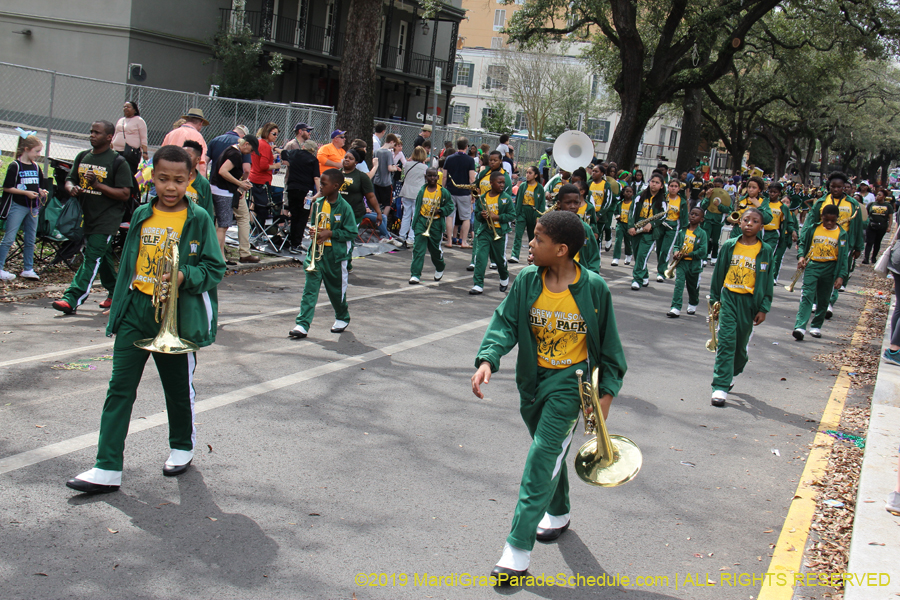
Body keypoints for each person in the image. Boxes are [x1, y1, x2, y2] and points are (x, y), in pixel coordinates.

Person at [471, 209, 626, 584]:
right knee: (550, 454)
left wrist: (606, 394)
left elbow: (610, 351)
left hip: (569, 388)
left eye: (538, 239)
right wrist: (488, 358)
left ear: (561, 249)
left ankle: (517, 550)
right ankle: (558, 511)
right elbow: (506, 322)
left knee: (541, 457)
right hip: (532, 383)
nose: (530, 244)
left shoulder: (593, 289)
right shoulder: (526, 280)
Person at [64, 145, 226, 494]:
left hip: (176, 315)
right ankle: (107, 467)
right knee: (119, 390)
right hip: (137, 309)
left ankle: (182, 446)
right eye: (163, 179)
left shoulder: (197, 218)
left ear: (191, 179)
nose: (170, 187)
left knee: (178, 390)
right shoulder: (140, 213)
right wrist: (119, 308)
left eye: (179, 181)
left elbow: (215, 267)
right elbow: (128, 265)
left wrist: (183, 276)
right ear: (152, 178)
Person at [52, 121, 133, 315]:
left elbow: (124, 194)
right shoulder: (82, 156)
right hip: (86, 217)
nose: (92, 135)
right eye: (91, 132)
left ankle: (72, 298)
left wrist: (99, 186)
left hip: (107, 219)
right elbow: (70, 179)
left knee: (92, 257)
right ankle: (116, 293)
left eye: (97, 133)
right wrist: (72, 188)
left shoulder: (118, 162)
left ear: (109, 137)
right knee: (101, 256)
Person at [708, 208, 773, 407]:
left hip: (750, 303)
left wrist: (764, 307)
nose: (749, 223)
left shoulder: (765, 250)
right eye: (746, 220)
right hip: (729, 298)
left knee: (740, 345)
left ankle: (732, 372)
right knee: (726, 341)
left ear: (761, 227)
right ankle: (720, 385)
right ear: (739, 223)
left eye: (754, 221)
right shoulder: (729, 245)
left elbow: (768, 280)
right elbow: (718, 273)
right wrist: (714, 301)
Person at [290, 169, 358, 339]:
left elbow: (351, 233)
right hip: (316, 254)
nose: (321, 187)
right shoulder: (318, 203)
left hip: (335, 256)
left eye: (324, 184)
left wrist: (331, 233)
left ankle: (342, 316)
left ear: (336, 186)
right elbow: (314, 224)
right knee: (310, 290)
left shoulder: (345, 207)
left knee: (336, 292)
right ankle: (302, 324)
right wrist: (314, 232)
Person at [801, 172, 864, 317]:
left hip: (843, 244)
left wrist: (858, 246)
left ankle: (830, 301)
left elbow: (858, 226)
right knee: (820, 273)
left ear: (845, 188)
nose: (836, 189)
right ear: (829, 186)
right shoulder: (822, 201)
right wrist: (803, 240)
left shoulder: (853, 204)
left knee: (839, 273)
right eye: (833, 187)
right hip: (821, 242)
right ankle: (816, 301)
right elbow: (810, 222)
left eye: (839, 187)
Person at [792, 204, 849, 341]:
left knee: (824, 298)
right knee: (807, 295)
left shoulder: (842, 234)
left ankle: (816, 325)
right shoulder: (813, 229)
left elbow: (844, 257)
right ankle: (800, 326)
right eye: (826, 220)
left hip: (830, 268)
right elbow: (803, 243)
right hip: (813, 265)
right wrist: (801, 256)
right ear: (821, 217)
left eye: (833, 220)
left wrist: (841, 276)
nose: (829, 223)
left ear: (837, 219)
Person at [0, 133, 48, 281]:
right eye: (36, 151)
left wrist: (41, 192)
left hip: (33, 208)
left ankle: (28, 268)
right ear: (26, 149)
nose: (39, 155)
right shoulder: (15, 166)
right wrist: (25, 193)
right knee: (9, 238)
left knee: (30, 238)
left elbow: (38, 185)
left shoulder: (36, 166)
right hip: (18, 206)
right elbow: (7, 187)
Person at [208, 134, 258, 260]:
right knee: (223, 226)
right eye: (251, 150)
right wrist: (240, 183)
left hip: (219, 189)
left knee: (221, 225)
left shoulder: (231, 150)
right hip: (223, 191)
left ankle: (221, 256)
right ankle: (219, 257)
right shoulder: (235, 154)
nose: (251, 153)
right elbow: (223, 171)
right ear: (246, 144)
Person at [470, 171, 514, 295]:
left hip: (499, 232)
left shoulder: (506, 198)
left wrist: (498, 217)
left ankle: (504, 276)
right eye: (499, 182)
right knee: (480, 257)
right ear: (491, 183)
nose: (502, 185)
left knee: (499, 259)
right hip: (485, 231)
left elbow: (512, 215)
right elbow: (477, 214)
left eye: (503, 183)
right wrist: (481, 215)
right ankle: (478, 284)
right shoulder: (483, 197)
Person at [408, 167, 453, 284]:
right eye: (429, 176)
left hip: (436, 223)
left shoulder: (443, 192)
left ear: (438, 177)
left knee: (434, 250)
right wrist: (415, 222)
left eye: (434, 176)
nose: (432, 178)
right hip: (422, 221)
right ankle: (415, 274)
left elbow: (450, 206)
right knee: (418, 249)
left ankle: (440, 266)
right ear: (425, 177)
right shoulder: (422, 191)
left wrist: (440, 210)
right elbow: (418, 207)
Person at [338, 149, 392, 245]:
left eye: (350, 158)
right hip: (337, 212)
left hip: (354, 213)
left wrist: (378, 212)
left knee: (347, 240)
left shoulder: (361, 177)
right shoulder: (336, 174)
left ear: (356, 162)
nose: (346, 160)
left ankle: (346, 258)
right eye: (345, 157)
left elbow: (370, 196)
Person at [280, 139, 321, 255]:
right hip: (306, 192)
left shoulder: (294, 153)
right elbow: (316, 177)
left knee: (294, 215)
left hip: (292, 188)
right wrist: (319, 191)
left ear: (303, 146)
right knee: (302, 217)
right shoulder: (313, 160)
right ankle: (296, 243)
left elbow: (283, 153)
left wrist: (286, 161)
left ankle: (292, 242)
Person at [667, 207, 708, 317]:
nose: (693, 216)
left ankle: (693, 303)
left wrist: (689, 254)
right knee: (679, 285)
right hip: (682, 263)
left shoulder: (702, 233)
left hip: (694, 265)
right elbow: (676, 245)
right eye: (692, 214)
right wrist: (676, 252)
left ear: (701, 219)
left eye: (696, 215)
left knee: (693, 287)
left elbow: (703, 251)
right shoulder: (682, 231)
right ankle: (675, 307)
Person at [628, 173, 667, 290]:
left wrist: (652, 224)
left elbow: (663, 216)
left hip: (650, 233)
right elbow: (632, 211)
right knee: (636, 253)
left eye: (657, 183)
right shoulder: (640, 196)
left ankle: (637, 279)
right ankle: (644, 275)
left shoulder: (662, 200)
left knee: (642, 256)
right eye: (652, 181)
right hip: (637, 227)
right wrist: (631, 226)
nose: (654, 184)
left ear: (661, 186)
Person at [554, 184, 600, 273]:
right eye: (568, 203)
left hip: (579, 277)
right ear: (559, 204)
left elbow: (593, 257)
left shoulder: (586, 229)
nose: (573, 206)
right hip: (556, 276)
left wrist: (592, 278)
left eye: (576, 203)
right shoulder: (551, 227)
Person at [442, 137, 477, 250]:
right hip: (464, 192)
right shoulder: (470, 160)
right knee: (466, 217)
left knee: (450, 216)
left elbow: (444, 176)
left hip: (450, 191)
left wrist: (443, 189)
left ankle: (449, 240)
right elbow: (472, 178)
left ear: (457, 146)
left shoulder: (449, 158)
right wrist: (473, 193)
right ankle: (464, 241)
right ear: (467, 147)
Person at [655, 178, 689, 282]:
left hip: (673, 227)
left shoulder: (681, 201)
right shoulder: (663, 197)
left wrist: (683, 231)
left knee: (666, 250)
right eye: (671, 186)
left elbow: (683, 218)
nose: (673, 188)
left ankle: (662, 272)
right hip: (661, 225)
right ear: (668, 187)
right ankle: (661, 266)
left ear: (679, 188)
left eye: (675, 186)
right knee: (659, 249)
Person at [510, 166, 546, 264]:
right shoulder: (522, 186)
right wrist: (517, 213)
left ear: (536, 175)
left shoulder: (539, 188)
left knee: (532, 235)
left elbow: (542, 203)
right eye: (527, 172)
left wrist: (539, 216)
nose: (527, 175)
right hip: (523, 211)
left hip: (533, 211)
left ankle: (532, 256)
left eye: (530, 173)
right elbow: (518, 200)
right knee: (518, 233)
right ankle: (514, 255)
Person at [248, 122, 281, 226]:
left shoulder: (259, 143)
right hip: (261, 181)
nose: (276, 136)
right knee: (263, 208)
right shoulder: (265, 146)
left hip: (254, 177)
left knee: (254, 205)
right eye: (274, 134)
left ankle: (252, 230)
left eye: (277, 134)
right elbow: (263, 166)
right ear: (267, 133)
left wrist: (272, 157)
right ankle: (258, 230)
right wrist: (276, 166)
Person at [398, 146, 430, 248]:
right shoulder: (424, 167)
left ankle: (402, 236)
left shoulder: (407, 164)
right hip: (417, 193)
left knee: (406, 215)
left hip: (406, 191)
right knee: (415, 216)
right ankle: (411, 238)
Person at [162, 108, 209, 176]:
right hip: (185, 176)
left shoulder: (171, 134)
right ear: (200, 123)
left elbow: (161, 154)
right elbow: (201, 163)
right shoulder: (198, 136)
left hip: (168, 173)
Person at [371, 133, 401, 226]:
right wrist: (395, 168)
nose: (393, 146)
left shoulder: (377, 151)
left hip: (377, 180)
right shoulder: (388, 152)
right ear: (391, 142)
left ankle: (375, 219)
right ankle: (383, 221)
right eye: (394, 144)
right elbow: (389, 168)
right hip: (386, 182)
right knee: (388, 203)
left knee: (378, 202)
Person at [111, 100, 149, 173]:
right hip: (117, 151)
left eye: (128, 107)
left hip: (130, 153)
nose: (125, 108)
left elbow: (143, 137)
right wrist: (111, 144)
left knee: (128, 172)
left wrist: (145, 152)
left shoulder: (139, 121)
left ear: (134, 110)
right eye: (124, 107)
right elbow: (115, 134)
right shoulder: (121, 120)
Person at [181, 140, 214, 219]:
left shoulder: (203, 183)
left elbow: (208, 210)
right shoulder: (173, 179)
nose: (184, 158)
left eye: (188, 156)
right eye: (182, 155)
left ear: (198, 159)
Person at [863, 190, 894, 264]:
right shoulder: (871, 204)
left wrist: (889, 227)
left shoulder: (888, 206)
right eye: (877, 195)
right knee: (869, 242)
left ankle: (874, 258)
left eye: (880, 195)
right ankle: (866, 258)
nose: (877, 196)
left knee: (877, 242)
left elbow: (890, 217)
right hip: (871, 225)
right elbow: (866, 215)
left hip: (882, 226)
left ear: (884, 196)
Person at [611, 185, 634, 267]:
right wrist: (617, 215)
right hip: (621, 224)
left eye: (630, 192)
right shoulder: (620, 203)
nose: (628, 193)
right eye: (627, 191)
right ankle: (616, 258)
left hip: (629, 225)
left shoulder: (633, 204)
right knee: (618, 240)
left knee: (628, 242)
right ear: (623, 193)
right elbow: (616, 211)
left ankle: (628, 255)